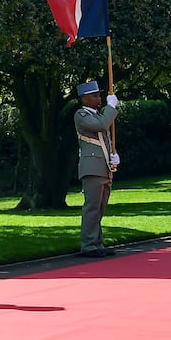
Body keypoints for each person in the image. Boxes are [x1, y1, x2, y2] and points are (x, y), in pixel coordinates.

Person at [74, 80, 120, 256]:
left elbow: (104, 138)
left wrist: (114, 155)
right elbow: (100, 125)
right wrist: (111, 107)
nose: (98, 98)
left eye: (98, 95)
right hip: (92, 167)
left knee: (100, 208)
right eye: (94, 96)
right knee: (92, 208)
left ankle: (97, 243)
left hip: (104, 166)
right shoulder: (81, 115)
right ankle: (88, 245)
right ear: (84, 99)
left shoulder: (99, 115)